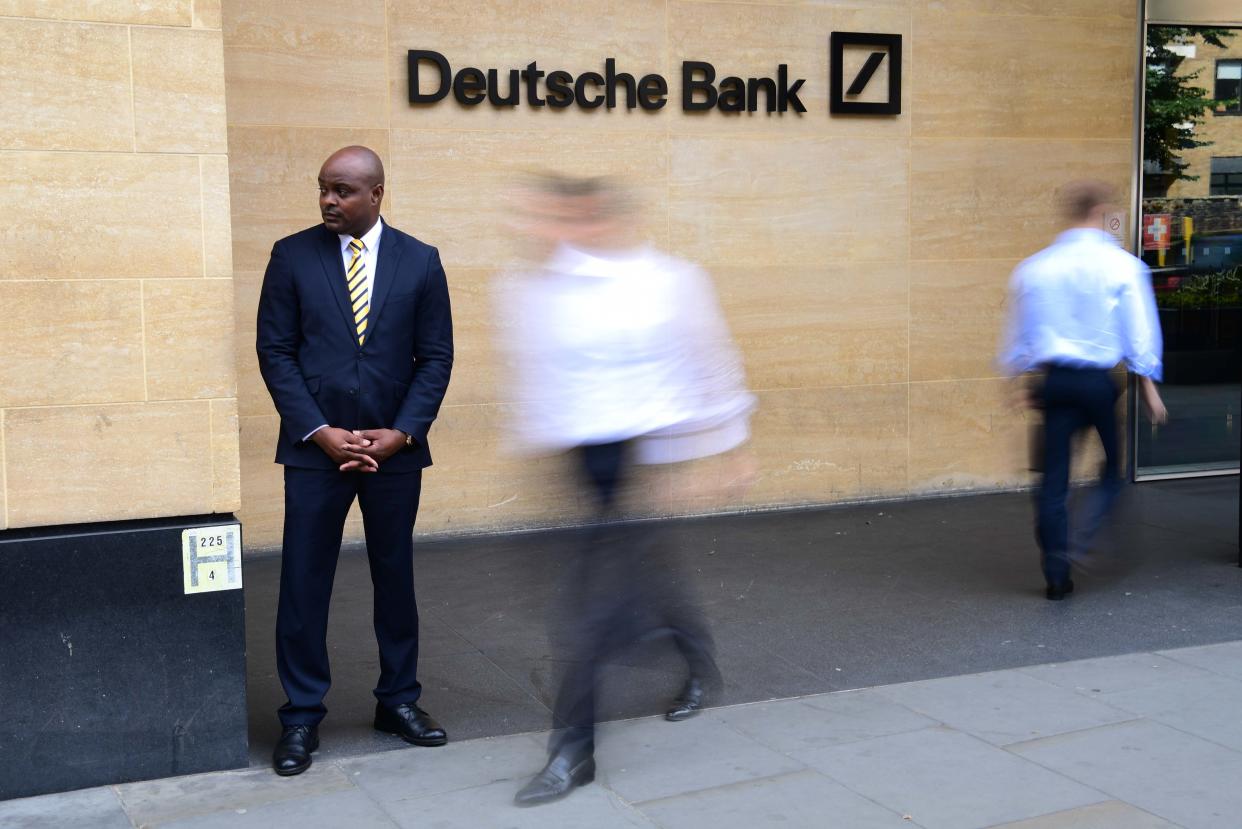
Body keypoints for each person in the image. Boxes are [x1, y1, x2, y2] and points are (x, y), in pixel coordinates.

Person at [499, 175, 755, 806]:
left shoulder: (664, 280)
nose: (549, 230)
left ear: (601, 220)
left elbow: (710, 358)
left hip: (643, 454)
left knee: (586, 610)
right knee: (645, 576)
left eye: (566, 219)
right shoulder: (534, 289)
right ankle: (698, 661)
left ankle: (572, 751)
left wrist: (730, 447)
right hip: (581, 461)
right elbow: (536, 376)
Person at [256, 146, 453, 775]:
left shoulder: (421, 262)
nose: (327, 201)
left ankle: (398, 700)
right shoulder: (292, 256)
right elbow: (275, 351)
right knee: (304, 583)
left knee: (395, 579)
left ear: (376, 194)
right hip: (316, 453)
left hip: (394, 456)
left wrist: (403, 432)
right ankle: (302, 716)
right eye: (322, 189)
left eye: (341, 190)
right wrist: (318, 431)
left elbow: (436, 358)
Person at [1000, 180, 1167, 601]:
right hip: (1097, 383)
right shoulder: (1123, 266)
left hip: (1055, 382)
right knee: (1113, 470)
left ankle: (1056, 566)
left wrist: (1015, 380)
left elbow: (1022, 332)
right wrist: (1148, 385)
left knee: (1053, 480)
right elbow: (1138, 330)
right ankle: (1083, 538)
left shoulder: (1035, 268)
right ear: (1100, 212)